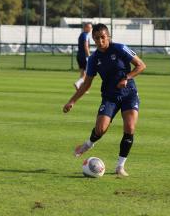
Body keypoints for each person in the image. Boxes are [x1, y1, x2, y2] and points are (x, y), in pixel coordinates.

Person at [63, 23, 146, 177]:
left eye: (102, 37)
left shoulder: (120, 48)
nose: (100, 41)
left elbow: (141, 65)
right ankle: (88, 144)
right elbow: (87, 83)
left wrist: (127, 77)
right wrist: (72, 101)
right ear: (93, 39)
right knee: (100, 129)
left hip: (129, 94)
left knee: (130, 128)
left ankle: (120, 166)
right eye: (96, 38)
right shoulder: (94, 59)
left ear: (108, 36)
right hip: (109, 97)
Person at [74, 22, 92, 90]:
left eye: (91, 27)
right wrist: (89, 56)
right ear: (85, 28)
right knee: (86, 74)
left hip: (79, 56)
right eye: (89, 27)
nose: (90, 29)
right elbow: (86, 46)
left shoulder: (81, 35)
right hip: (84, 56)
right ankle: (78, 83)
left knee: (82, 73)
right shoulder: (85, 35)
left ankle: (81, 88)